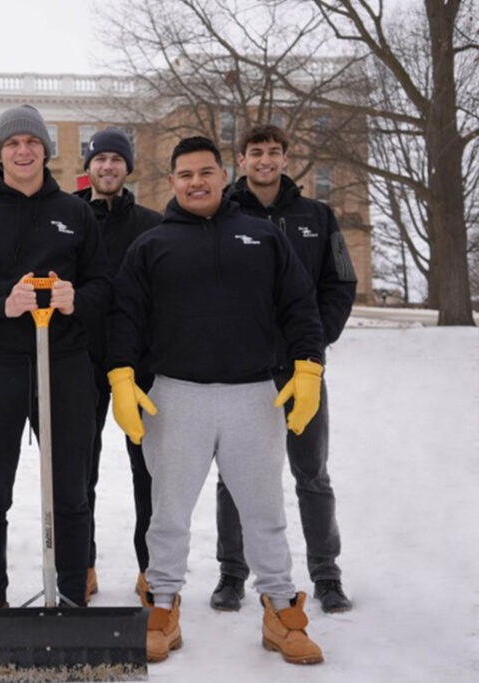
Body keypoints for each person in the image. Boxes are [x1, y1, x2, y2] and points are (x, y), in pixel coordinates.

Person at [108, 136, 326, 665]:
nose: (196, 182)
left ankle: (280, 609)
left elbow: (300, 305)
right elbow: (126, 318)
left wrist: (307, 367)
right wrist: (122, 376)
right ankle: (162, 606)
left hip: (254, 396)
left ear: (223, 174)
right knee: (168, 513)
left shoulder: (262, 237)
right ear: (173, 181)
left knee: (264, 511)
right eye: (185, 175)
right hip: (175, 397)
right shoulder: (152, 245)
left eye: (205, 172)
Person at [0, 104, 111, 608]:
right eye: (12, 143)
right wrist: (0, 306)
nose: (23, 150)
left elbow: (105, 287)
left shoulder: (75, 213)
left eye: (32, 142)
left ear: (46, 150)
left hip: (66, 365)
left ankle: (72, 597)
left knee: (72, 492)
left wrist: (76, 298)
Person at [210, 124, 357, 614]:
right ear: (242, 159)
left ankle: (327, 575)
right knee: (235, 476)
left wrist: (313, 342)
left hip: (301, 369)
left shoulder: (318, 216)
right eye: (256, 152)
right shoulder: (223, 214)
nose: (265, 160)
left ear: (285, 158)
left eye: (274, 152)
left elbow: (341, 282)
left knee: (311, 473)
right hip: (243, 371)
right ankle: (232, 574)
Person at [74, 128, 162, 601]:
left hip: (139, 366)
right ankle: (81, 563)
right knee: (79, 469)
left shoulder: (152, 223)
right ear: (88, 165)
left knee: (148, 472)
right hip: (81, 363)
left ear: (128, 167)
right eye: (100, 158)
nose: (108, 166)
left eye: (116, 160)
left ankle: (151, 569)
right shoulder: (68, 217)